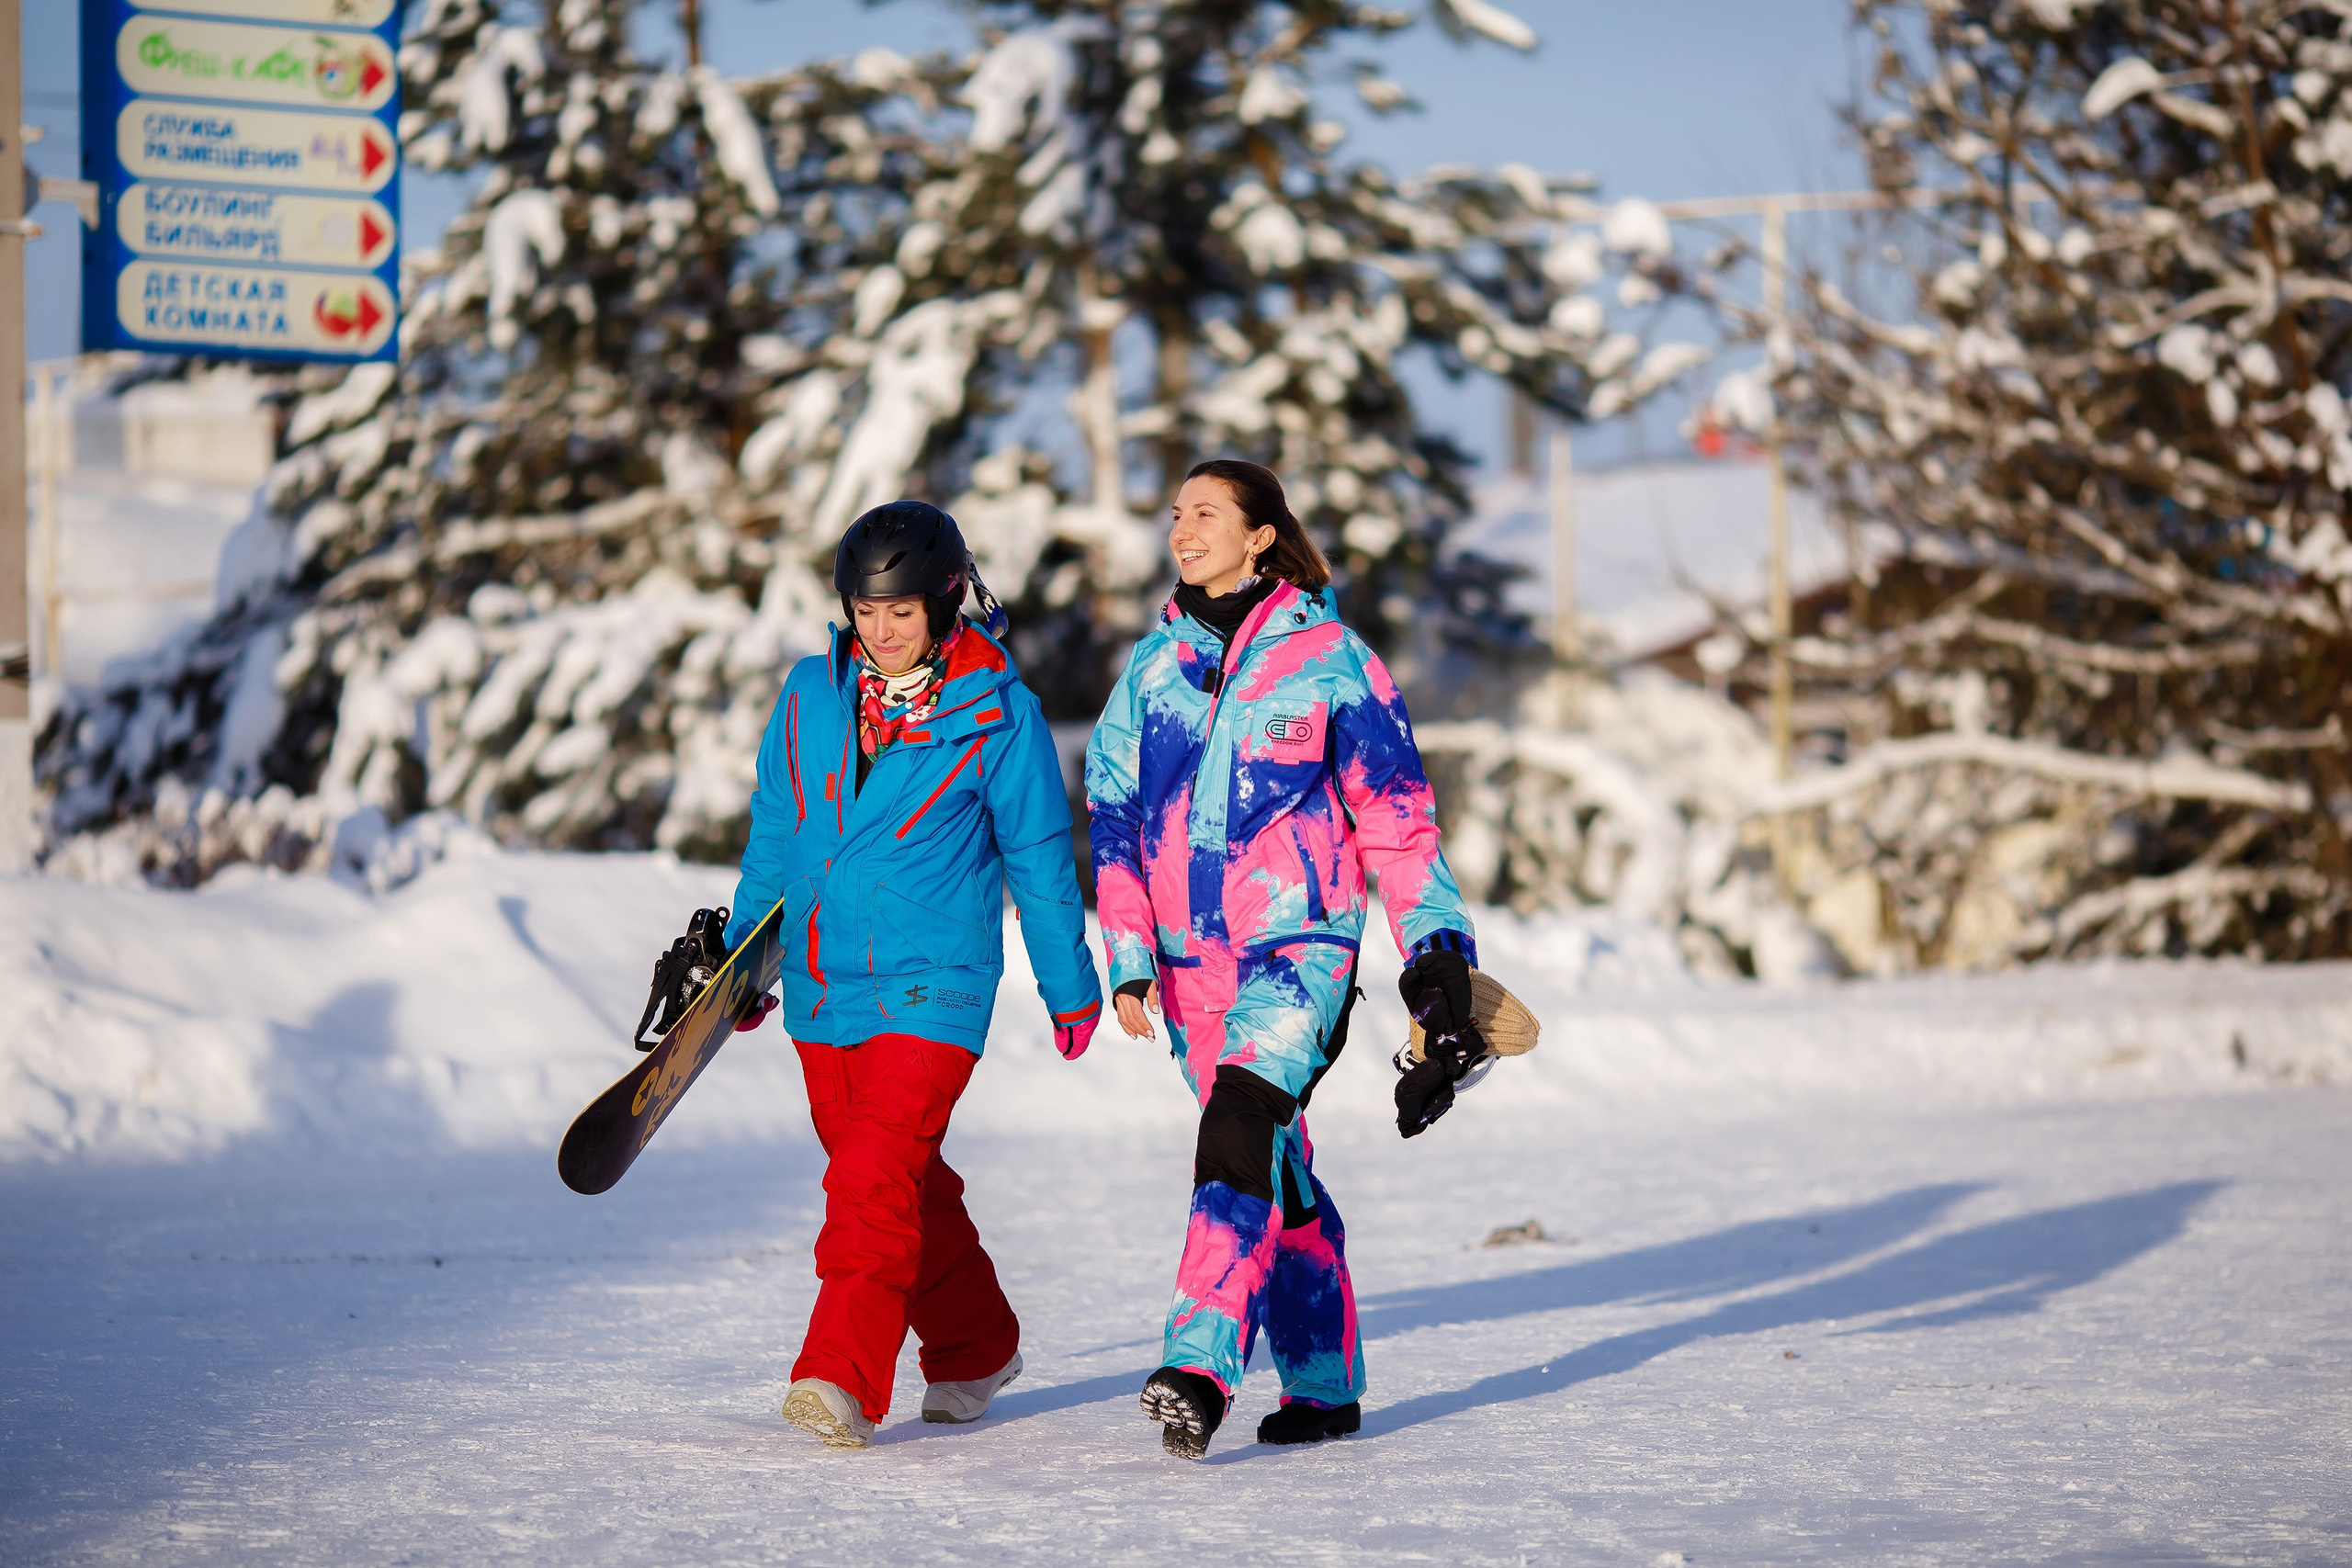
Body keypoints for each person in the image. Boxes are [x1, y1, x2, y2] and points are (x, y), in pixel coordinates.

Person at [1084, 458, 1491, 1460]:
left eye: (1207, 513)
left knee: (1238, 1125)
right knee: (1273, 1164)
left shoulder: (1330, 660)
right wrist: (1129, 955)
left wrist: (1436, 962)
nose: (1183, 529)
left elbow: (1396, 825)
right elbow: (1114, 821)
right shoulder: (1150, 671)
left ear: (1261, 533)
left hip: (1297, 947)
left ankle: (1199, 1365)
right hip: (1188, 969)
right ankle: (1322, 1380)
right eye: (1176, 513)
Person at [722, 499, 1102, 1450]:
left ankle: (839, 1376)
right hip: (820, 982)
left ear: (943, 602)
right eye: (863, 611)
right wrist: (741, 962)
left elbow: (1040, 857)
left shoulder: (999, 716)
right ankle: (976, 1345)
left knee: (868, 1183)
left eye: (899, 612)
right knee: (903, 1181)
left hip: (935, 986)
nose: (881, 633)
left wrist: (1068, 983)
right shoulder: (811, 697)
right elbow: (775, 835)